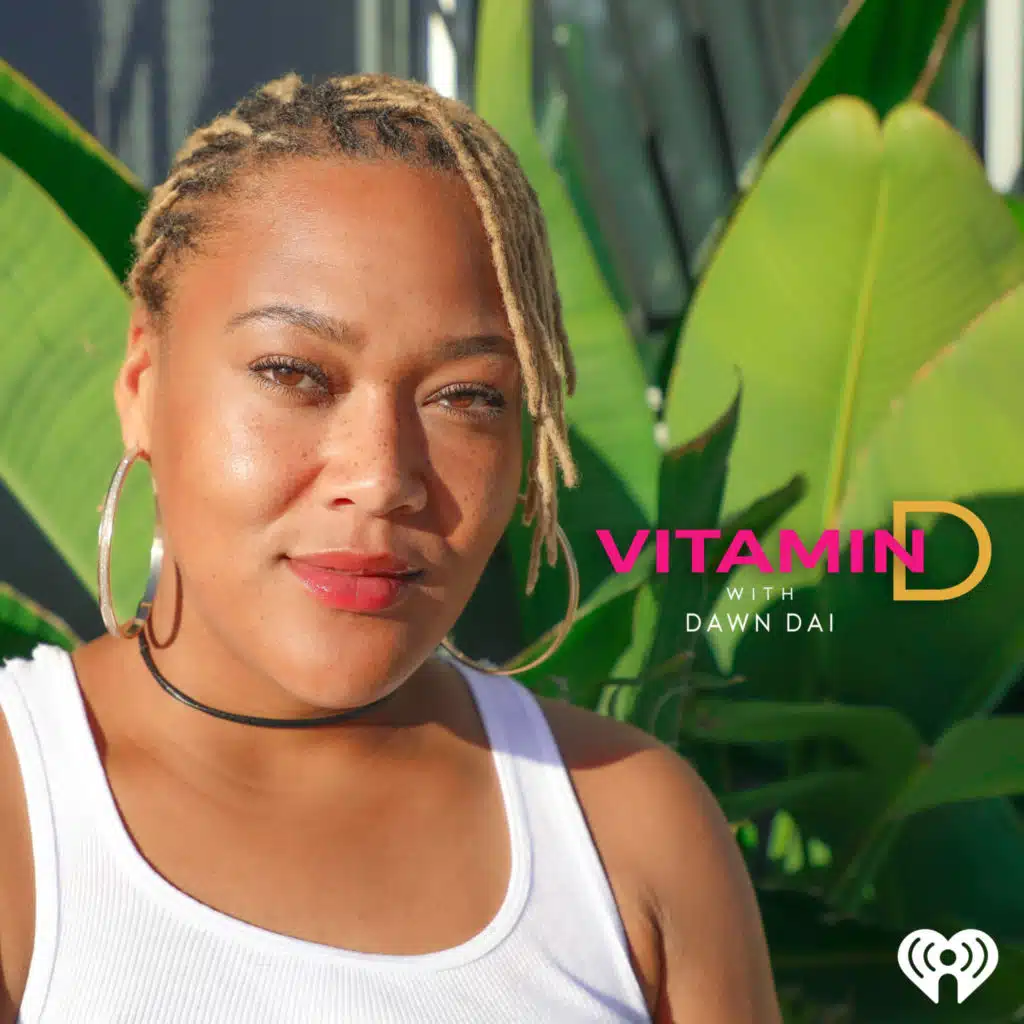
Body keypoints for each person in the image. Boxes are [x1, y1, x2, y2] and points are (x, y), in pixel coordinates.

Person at [0, 72, 782, 1023]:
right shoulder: (20, 815)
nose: (381, 476)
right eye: (293, 373)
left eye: (466, 397)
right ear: (141, 386)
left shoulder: (629, 829)